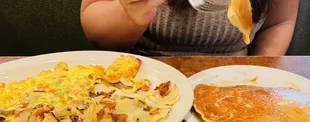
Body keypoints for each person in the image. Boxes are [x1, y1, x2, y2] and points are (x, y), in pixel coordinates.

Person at [80, 0, 299, 56]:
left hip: (235, 76)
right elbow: (96, 33)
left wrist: (257, 75)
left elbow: (279, 23)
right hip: (143, 79)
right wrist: (132, 14)